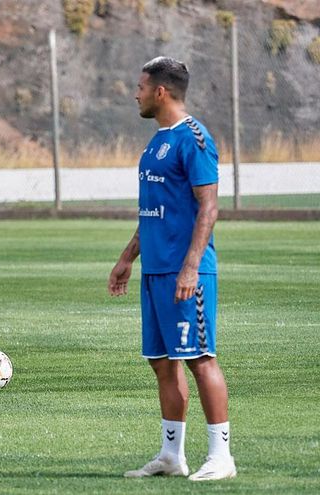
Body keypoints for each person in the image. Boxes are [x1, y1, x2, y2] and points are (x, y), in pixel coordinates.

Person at [108, 57, 236, 481]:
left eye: (141, 86)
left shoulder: (194, 139)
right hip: (156, 271)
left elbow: (209, 207)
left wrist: (191, 268)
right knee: (162, 362)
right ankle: (171, 456)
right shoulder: (156, 142)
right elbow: (153, 211)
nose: (136, 94)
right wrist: (128, 257)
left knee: (200, 358)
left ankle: (221, 457)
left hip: (186, 273)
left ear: (160, 92)